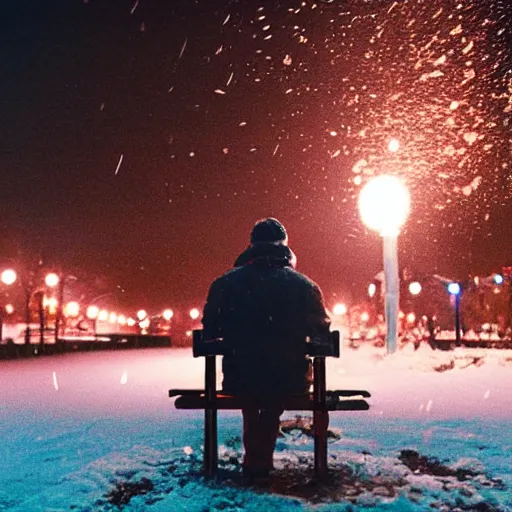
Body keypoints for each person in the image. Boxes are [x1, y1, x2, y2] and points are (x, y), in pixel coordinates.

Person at [201, 218, 331, 479]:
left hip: (240, 376)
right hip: (288, 378)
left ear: (252, 246)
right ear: (284, 247)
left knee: (253, 397)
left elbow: (210, 331)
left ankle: (255, 459)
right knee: (272, 395)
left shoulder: (225, 284)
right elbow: (323, 335)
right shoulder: (304, 286)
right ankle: (261, 459)